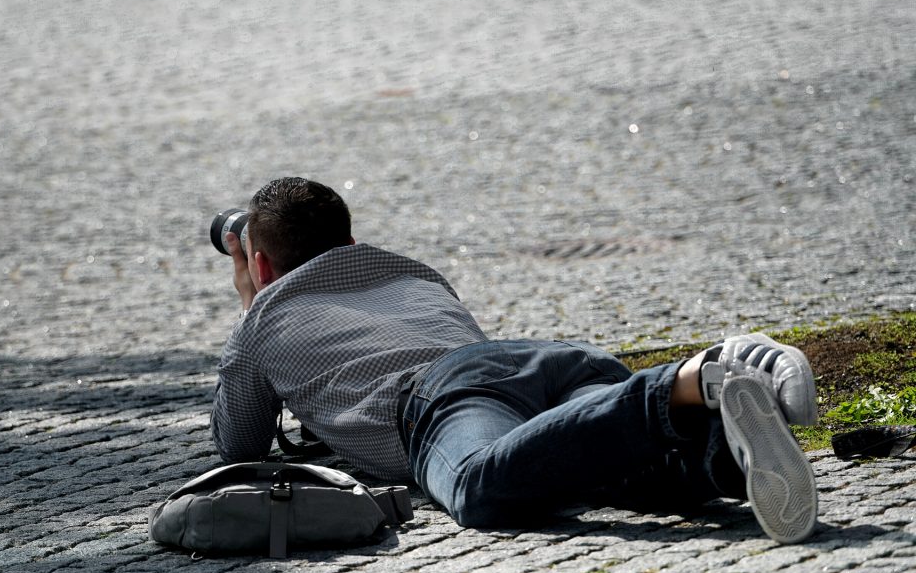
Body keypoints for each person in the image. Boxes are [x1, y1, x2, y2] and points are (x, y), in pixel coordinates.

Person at [211, 177, 819, 544]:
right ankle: (726, 456)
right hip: (543, 364)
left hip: (444, 396)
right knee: (599, 472)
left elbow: (239, 447)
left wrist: (250, 307)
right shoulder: (415, 274)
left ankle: (690, 377)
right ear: (347, 243)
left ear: (259, 266)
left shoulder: (264, 320)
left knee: (480, 488)